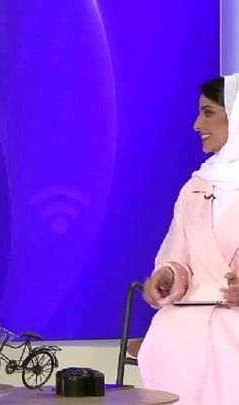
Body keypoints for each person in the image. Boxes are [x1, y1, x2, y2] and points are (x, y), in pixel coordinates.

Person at [138, 74, 239, 405]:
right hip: (189, 318)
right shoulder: (195, 188)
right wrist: (168, 275)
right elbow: (177, 256)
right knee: (169, 337)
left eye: (208, 112)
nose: (197, 125)